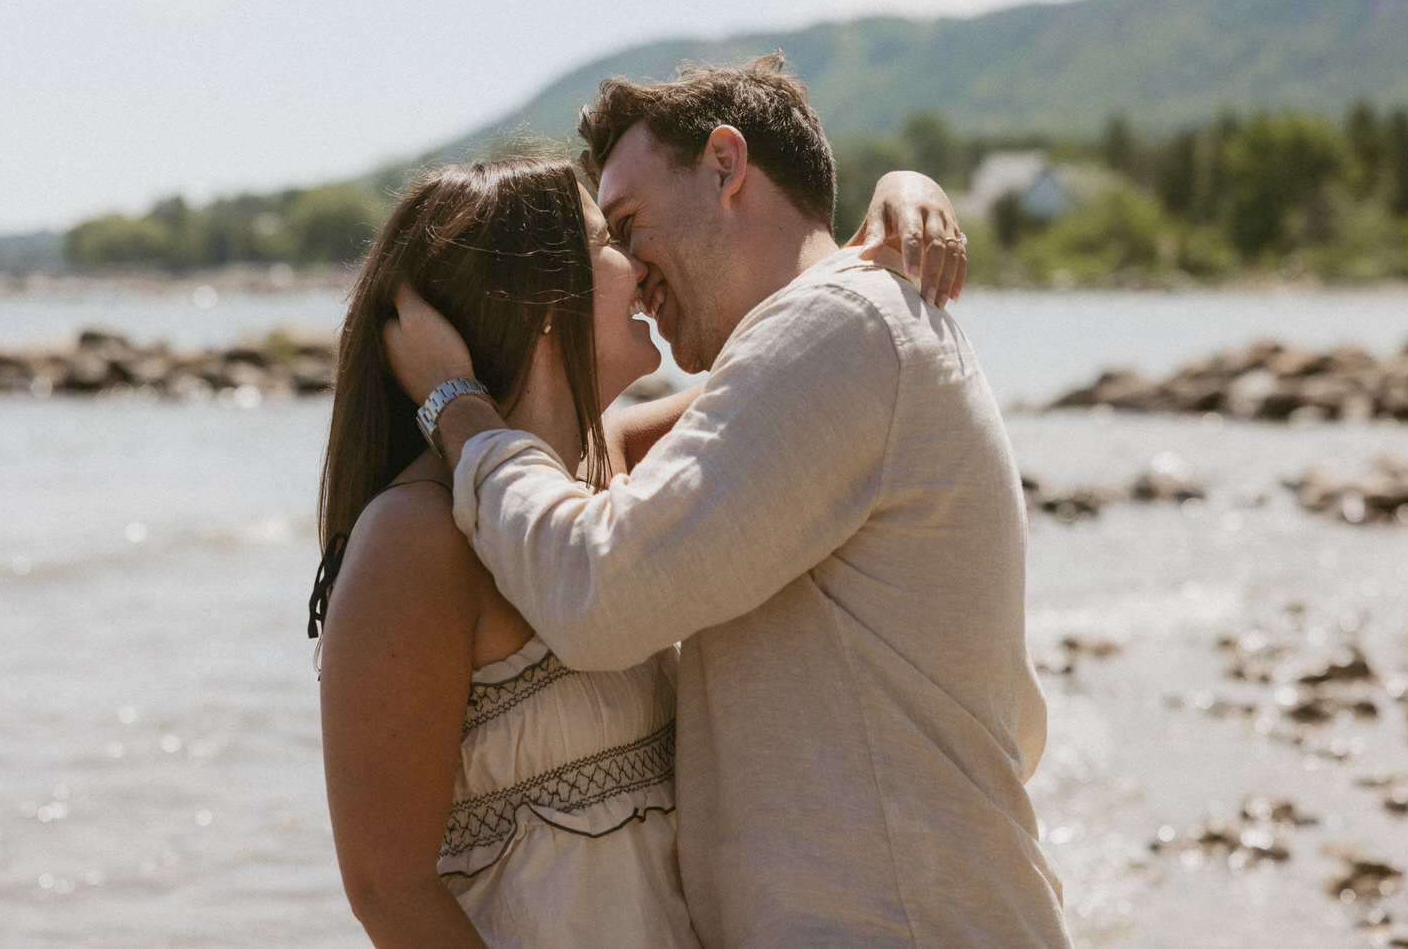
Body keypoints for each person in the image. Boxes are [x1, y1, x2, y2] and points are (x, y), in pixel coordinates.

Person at [386, 56, 1072, 947]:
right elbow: (612, 450)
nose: (629, 271)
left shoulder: (841, 329)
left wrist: (458, 405)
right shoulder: (840, 336)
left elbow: (603, 591)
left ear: (725, 164)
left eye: (627, 222)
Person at [313, 151, 965, 946]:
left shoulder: (613, 462)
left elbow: (812, 358)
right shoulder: (414, 537)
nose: (639, 263)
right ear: (543, 296)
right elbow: (389, 889)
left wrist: (902, 196)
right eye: (609, 240)